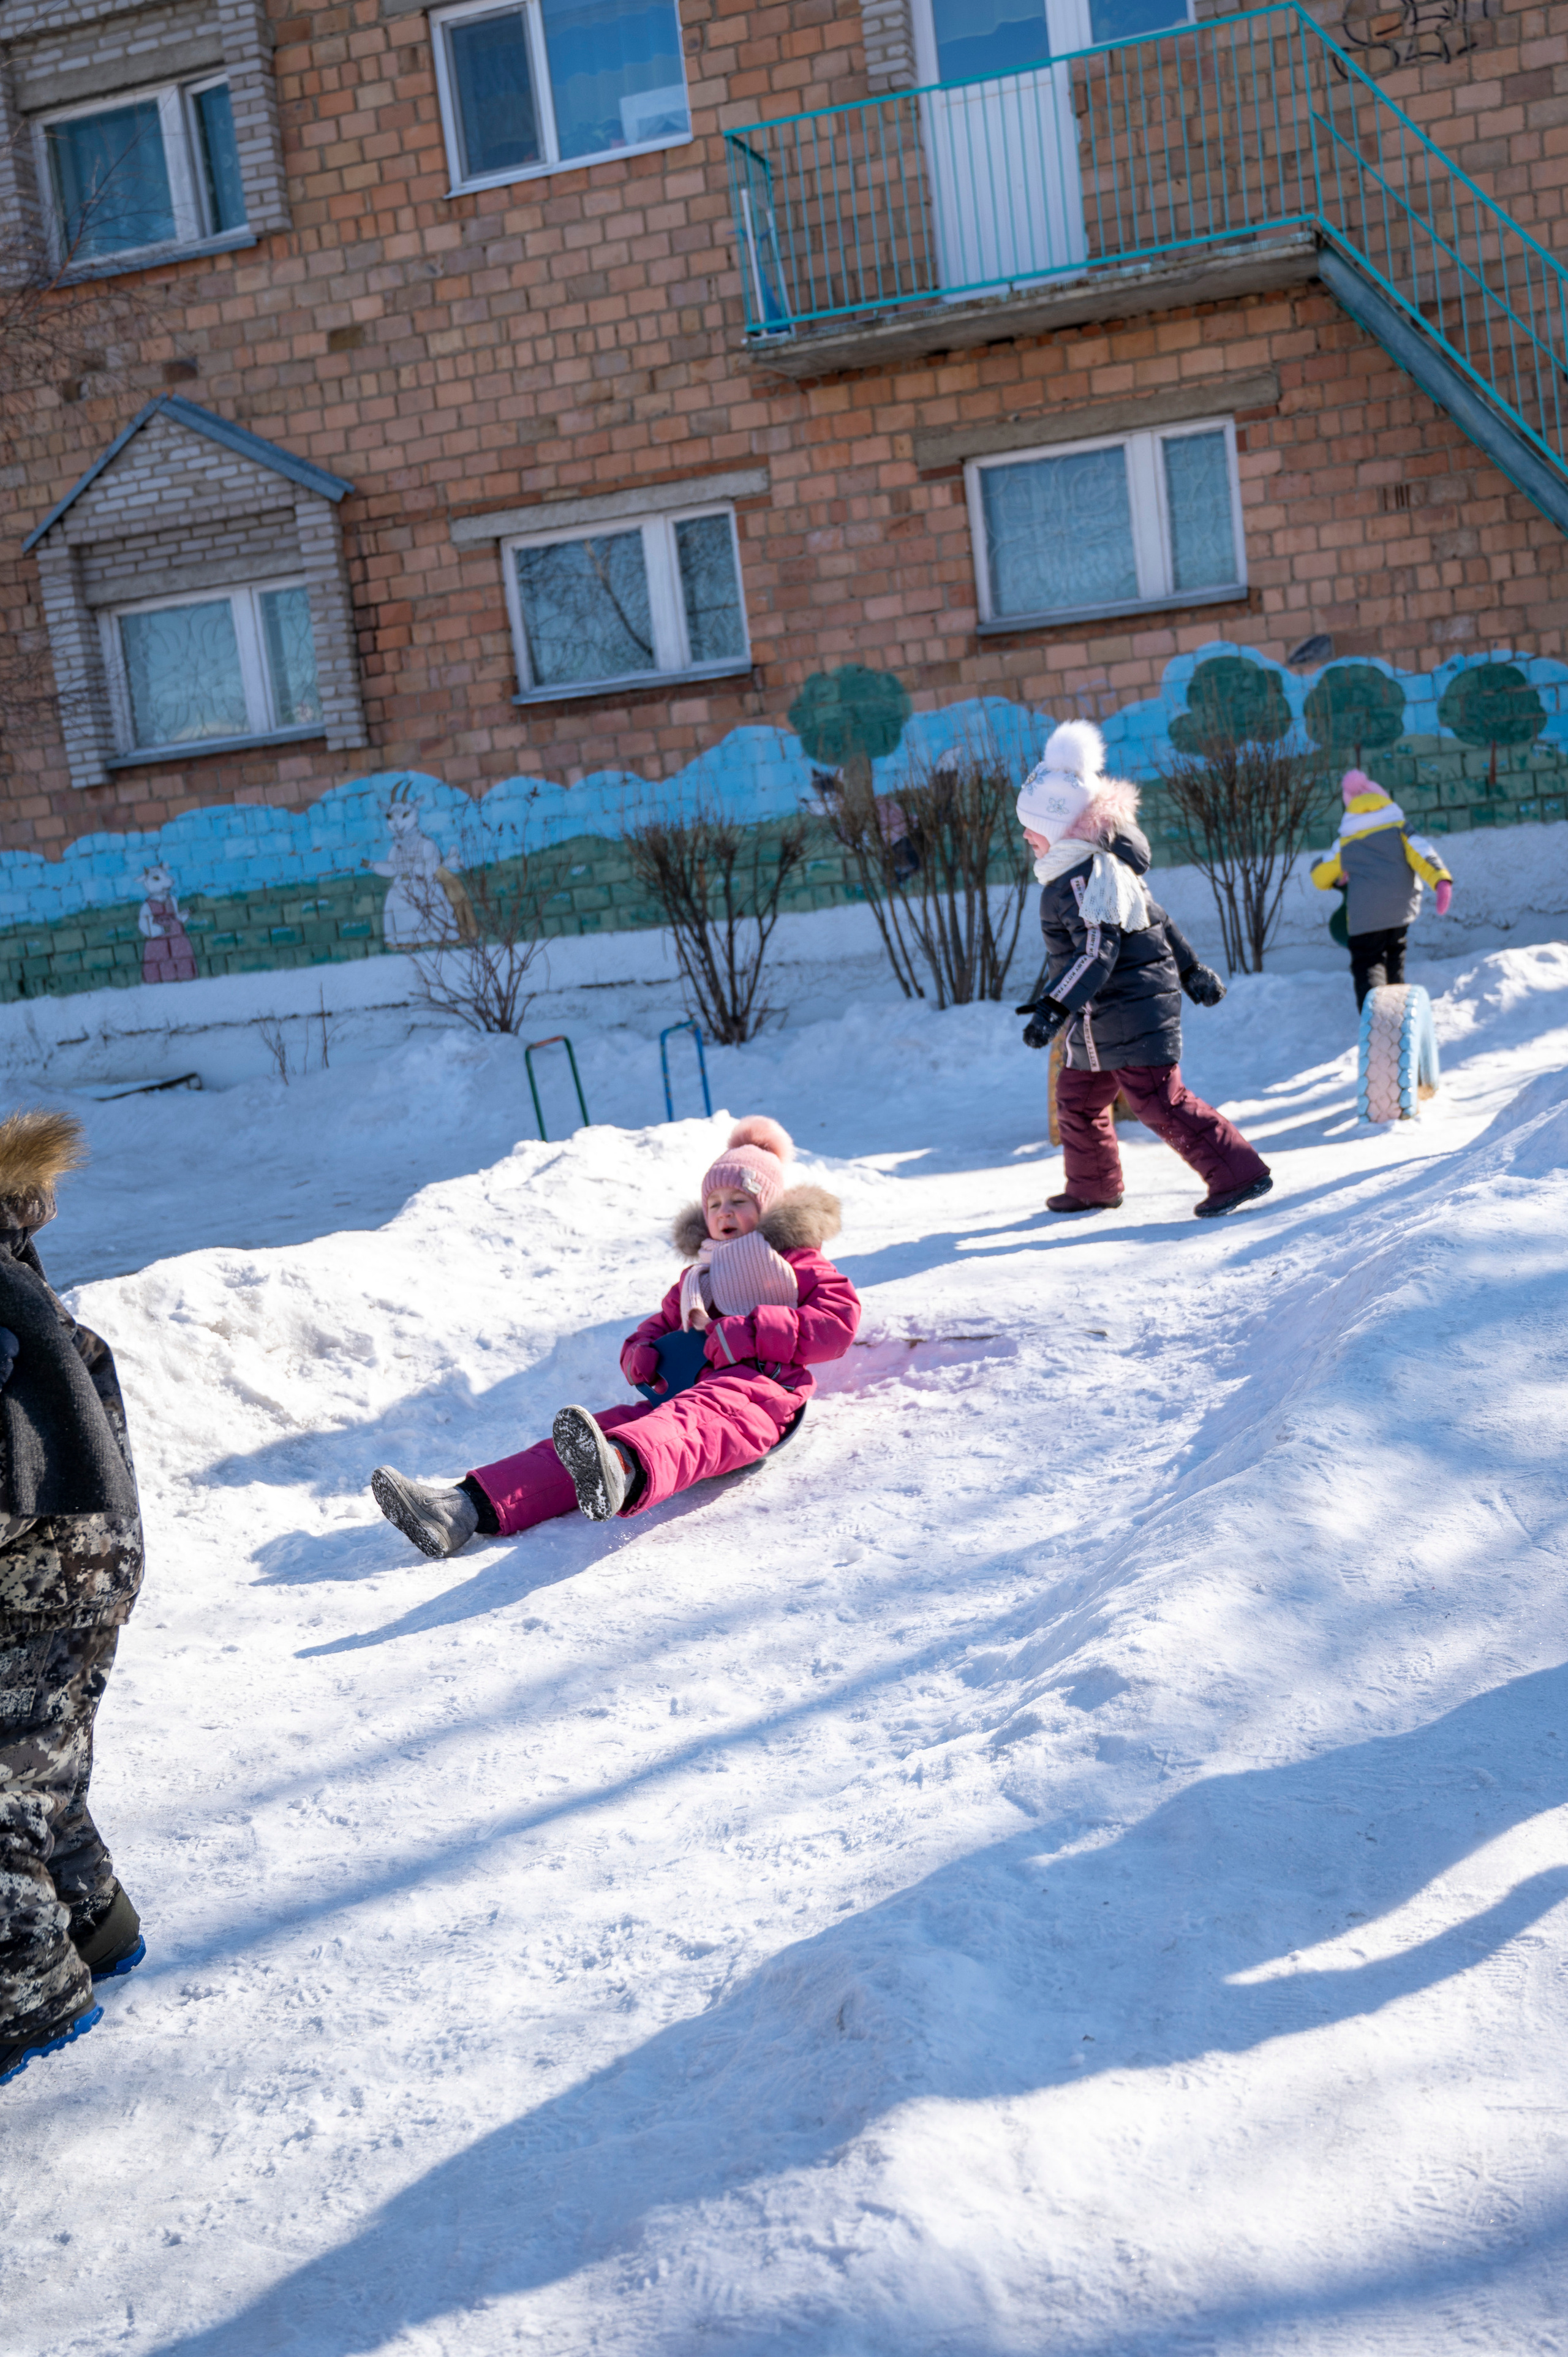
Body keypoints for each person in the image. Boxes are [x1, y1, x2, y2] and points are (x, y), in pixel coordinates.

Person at [371, 1117, 859, 1557]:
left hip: (763, 1393)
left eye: (740, 1202)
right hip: (688, 1390)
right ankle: (462, 1507)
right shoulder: (699, 1277)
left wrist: (748, 1333)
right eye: (714, 1203)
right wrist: (641, 1353)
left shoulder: (794, 1263)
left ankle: (622, 1468)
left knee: (686, 1422)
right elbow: (662, 1323)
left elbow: (838, 1322)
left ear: (769, 1209)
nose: (725, 1212)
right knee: (593, 1438)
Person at [0, 1111, 146, 2090]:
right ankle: (98, 1924)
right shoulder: (24, 1281)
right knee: (44, 1754)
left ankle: (28, 1993)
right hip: (92, 1558)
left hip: (27, 1564)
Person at [1012, 721, 1274, 1220]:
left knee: (1159, 1100)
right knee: (1078, 1098)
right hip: (1099, 1020)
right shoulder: (1097, 869)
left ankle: (1238, 1172)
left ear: (1059, 827)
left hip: (1131, 1011)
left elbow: (1095, 952)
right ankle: (1094, 1186)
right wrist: (1192, 968)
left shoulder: (1082, 879)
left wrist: (1051, 1007)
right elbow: (1157, 917)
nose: (1026, 835)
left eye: (1033, 827)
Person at [1310, 769, 1453, 1009]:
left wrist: (1338, 876)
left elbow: (1320, 876)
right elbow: (1423, 853)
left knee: (1369, 963)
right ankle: (1398, 1018)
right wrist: (1441, 881)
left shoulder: (1347, 839)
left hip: (1365, 914)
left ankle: (1377, 1018)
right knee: (1395, 955)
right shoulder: (1399, 827)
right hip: (1399, 909)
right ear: (1384, 800)